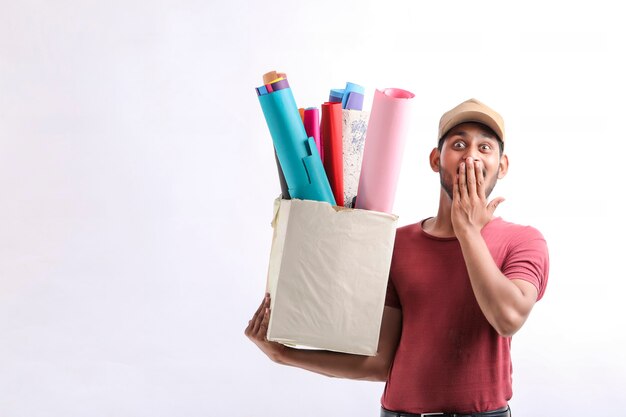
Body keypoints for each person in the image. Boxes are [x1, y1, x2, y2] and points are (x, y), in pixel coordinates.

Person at [245, 98, 549, 417]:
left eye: (485, 148)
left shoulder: (524, 240)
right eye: (459, 144)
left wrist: (469, 232)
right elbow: (379, 362)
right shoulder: (396, 243)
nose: (471, 155)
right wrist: (283, 354)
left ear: (502, 166)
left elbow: (508, 319)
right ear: (436, 159)